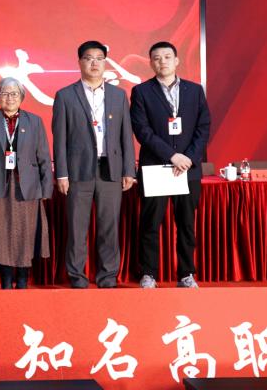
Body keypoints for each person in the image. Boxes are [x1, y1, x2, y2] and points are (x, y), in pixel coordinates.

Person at [52, 41, 136, 289]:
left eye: (99, 58)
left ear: (105, 62)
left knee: (109, 227)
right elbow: (59, 138)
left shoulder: (118, 95)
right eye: (89, 58)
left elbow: (126, 135)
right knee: (77, 229)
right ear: (80, 62)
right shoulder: (65, 95)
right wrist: (62, 173)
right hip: (78, 172)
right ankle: (77, 277)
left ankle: (108, 277)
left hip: (111, 170)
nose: (94, 63)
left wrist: (128, 170)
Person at [131, 41, 211, 289]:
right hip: (156, 167)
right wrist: (172, 156)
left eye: (167, 57)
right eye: (157, 58)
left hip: (187, 169)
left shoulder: (194, 90)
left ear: (176, 61)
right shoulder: (141, 91)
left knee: (186, 224)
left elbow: (203, 127)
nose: (162, 61)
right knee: (150, 223)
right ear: (151, 63)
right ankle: (148, 274)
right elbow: (142, 130)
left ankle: (186, 274)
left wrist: (188, 158)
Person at [0, 78, 53, 289]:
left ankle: (22, 280)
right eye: (4, 93)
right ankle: (5, 280)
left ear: (21, 97)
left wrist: (46, 188)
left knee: (25, 236)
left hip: (27, 187)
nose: (9, 98)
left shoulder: (34, 121)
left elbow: (44, 157)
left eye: (14, 94)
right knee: (0, 235)